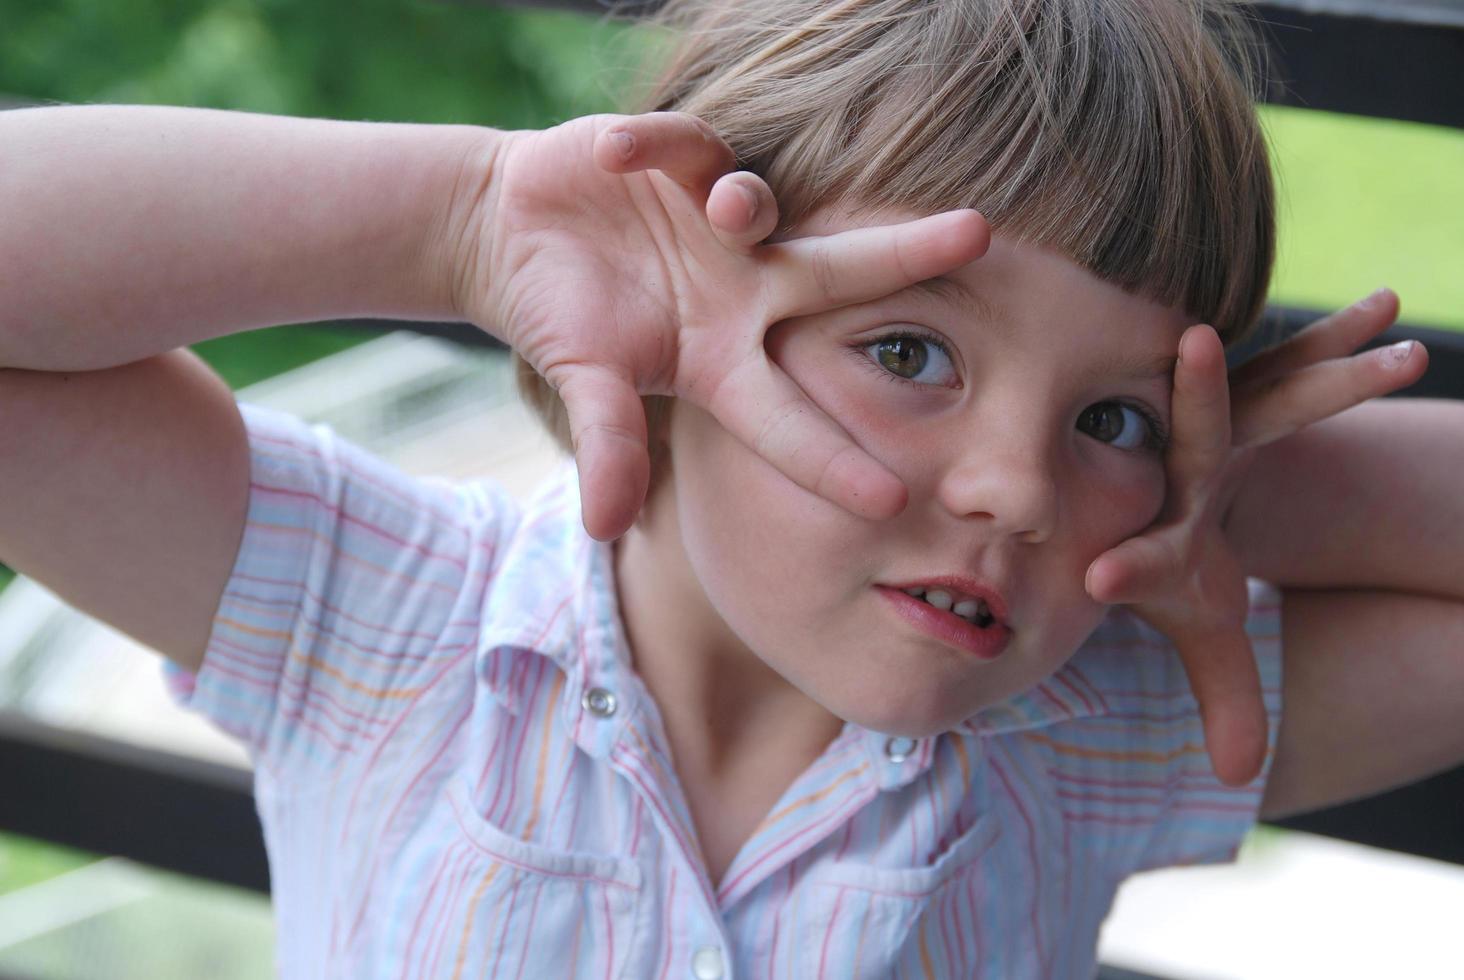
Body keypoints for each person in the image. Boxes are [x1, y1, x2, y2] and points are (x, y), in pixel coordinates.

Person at [1, 0, 1461, 975]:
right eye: (909, 348)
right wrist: (456, 225)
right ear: (659, 311)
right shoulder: (383, 617)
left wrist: (1214, 491)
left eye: (1109, 416)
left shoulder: (1081, 733)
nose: (1018, 489)